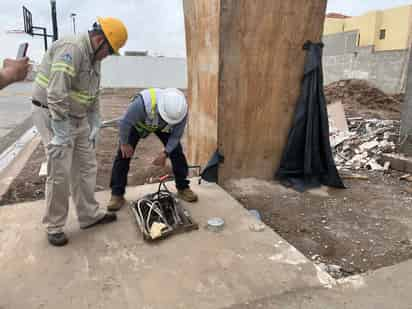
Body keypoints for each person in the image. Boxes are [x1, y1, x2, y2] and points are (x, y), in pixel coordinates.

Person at [31, 17, 128, 246]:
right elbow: (56, 92)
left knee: (86, 166)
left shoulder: (95, 57)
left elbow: (93, 93)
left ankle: (88, 215)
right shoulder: (72, 48)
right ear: (99, 39)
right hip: (52, 114)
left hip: (78, 118)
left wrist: (95, 120)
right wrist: (61, 131)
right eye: (110, 51)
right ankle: (54, 226)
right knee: (60, 171)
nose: (109, 56)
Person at [107, 88, 198, 211]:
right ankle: (117, 194)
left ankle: (183, 188)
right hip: (140, 123)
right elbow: (125, 123)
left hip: (163, 126)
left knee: (176, 152)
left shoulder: (180, 111)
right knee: (123, 155)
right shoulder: (140, 105)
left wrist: (165, 153)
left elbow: (176, 136)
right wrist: (124, 144)